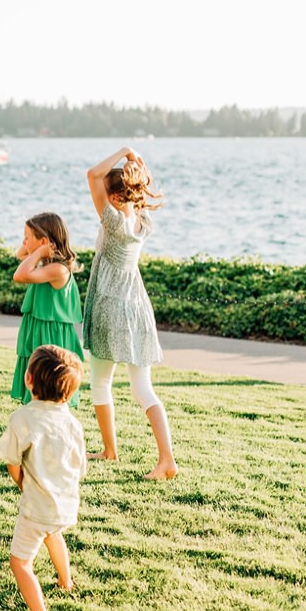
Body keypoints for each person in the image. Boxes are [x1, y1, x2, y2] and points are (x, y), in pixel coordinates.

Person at [83, 147, 178, 480]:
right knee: (143, 389)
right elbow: (129, 182)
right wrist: (136, 165)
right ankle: (166, 459)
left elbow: (92, 174)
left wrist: (125, 151)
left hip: (111, 307)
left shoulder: (113, 221)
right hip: (137, 309)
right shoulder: (141, 221)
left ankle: (110, 450)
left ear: (113, 196)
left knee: (100, 382)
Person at [0, 344, 86, 611]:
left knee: (20, 562)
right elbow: (80, 467)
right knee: (53, 533)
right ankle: (66, 581)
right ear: (69, 392)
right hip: (65, 505)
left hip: (36, 508)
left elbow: (12, 460)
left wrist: (21, 482)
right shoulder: (72, 423)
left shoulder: (23, 418)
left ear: (29, 379)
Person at [11, 212, 85, 406]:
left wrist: (38, 252)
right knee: (36, 374)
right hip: (39, 327)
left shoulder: (58, 269)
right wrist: (37, 248)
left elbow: (19, 275)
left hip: (50, 332)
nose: (23, 242)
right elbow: (20, 255)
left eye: (27, 238)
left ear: (44, 242)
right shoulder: (46, 264)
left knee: (47, 376)